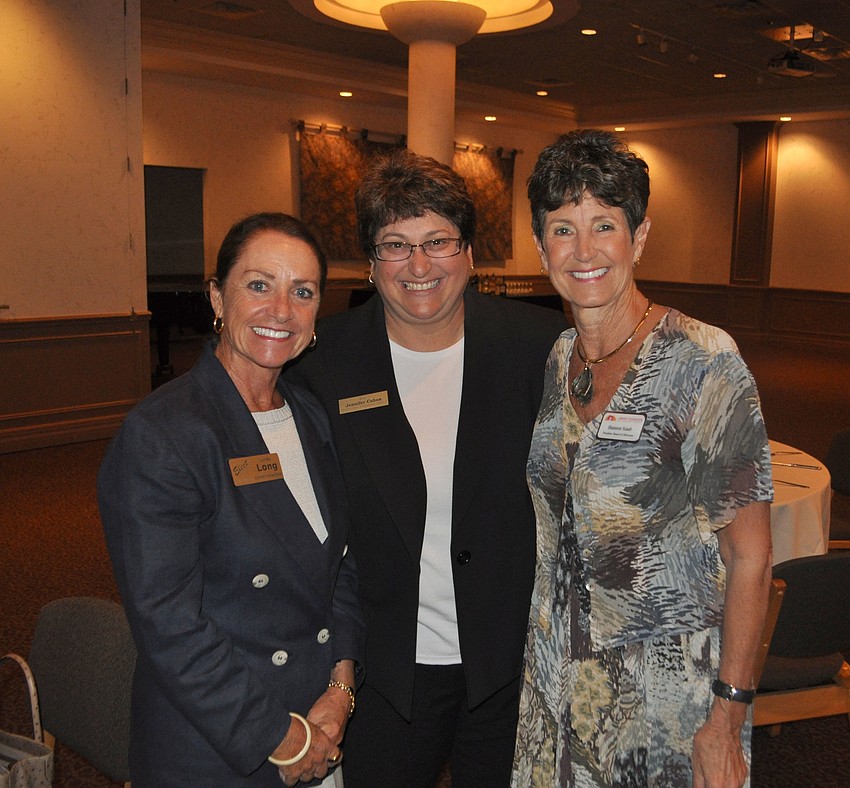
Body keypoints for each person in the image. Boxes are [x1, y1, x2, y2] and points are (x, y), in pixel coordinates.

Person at [286, 149, 567, 787]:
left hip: (509, 665)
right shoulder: (324, 361)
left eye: (438, 241)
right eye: (395, 244)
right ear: (370, 260)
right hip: (385, 670)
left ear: (470, 252)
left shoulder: (537, 347)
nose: (418, 265)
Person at [511, 129, 773, 787]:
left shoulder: (702, 360)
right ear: (541, 245)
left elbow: (752, 558)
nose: (585, 249)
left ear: (640, 236)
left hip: (666, 709)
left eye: (605, 224)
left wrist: (728, 717)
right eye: (563, 229)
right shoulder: (559, 357)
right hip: (557, 686)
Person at [98, 212, 365, 787]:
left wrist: (340, 691)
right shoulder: (164, 433)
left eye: (303, 292)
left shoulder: (310, 414)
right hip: (225, 745)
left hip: (320, 722)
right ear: (217, 297)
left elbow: (338, 566)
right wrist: (286, 740)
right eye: (259, 285)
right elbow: (169, 625)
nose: (281, 311)